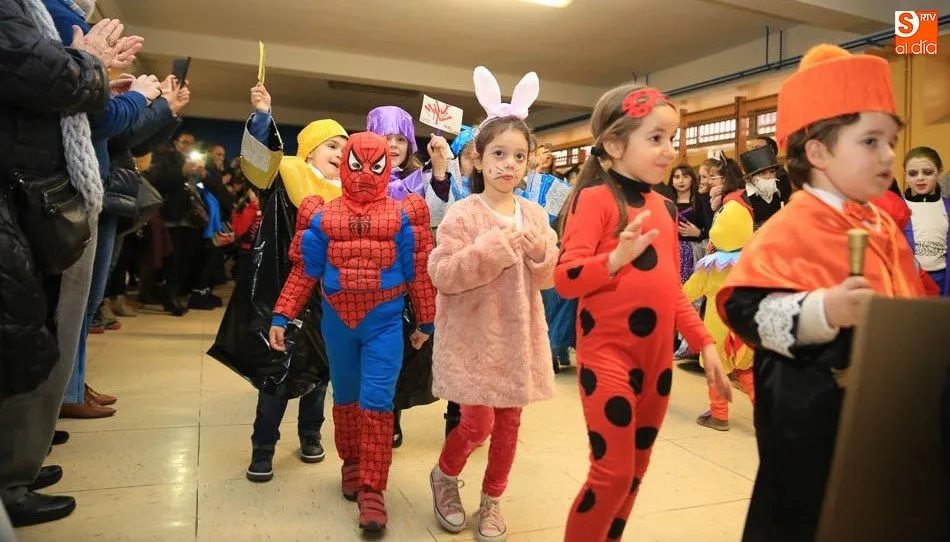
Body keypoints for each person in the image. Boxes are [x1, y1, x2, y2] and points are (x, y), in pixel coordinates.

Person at [717, 44, 926, 541]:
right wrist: (824, 309)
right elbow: (747, 310)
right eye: (871, 141)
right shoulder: (791, 227)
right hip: (812, 418)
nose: (889, 155)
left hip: (887, 417)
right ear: (817, 152)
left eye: (891, 141)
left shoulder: (881, 222)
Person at [555, 82, 731, 541]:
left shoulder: (666, 207)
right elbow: (565, 279)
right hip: (608, 357)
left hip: (656, 365)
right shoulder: (594, 199)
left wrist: (705, 343)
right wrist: (613, 260)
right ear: (614, 144)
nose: (669, 151)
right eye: (655, 138)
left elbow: (672, 289)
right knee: (611, 472)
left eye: (672, 138)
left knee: (634, 472)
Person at [268, 132, 436, 533]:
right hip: (337, 323)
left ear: (388, 168)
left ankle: (374, 489)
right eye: (356, 165)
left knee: (377, 402)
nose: (364, 175)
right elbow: (305, 270)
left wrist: (427, 322)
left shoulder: (406, 213)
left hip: (384, 322)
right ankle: (353, 466)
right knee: (344, 400)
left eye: (375, 166)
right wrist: (282, 314)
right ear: (344, 165)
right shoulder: (319, 214)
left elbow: (418, 273)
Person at [427, 67, 557, 542]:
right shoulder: (463, 213)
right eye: (498, 154)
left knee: (509, 426)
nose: (508, 164)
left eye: (518, 156)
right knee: (476, 423)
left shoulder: (536, 213)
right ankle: (444, 475)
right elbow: (442, 274)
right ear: (478, 159)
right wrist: (494, 251)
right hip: (474, 341)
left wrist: (542, 252)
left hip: (518, 344)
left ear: (529, 164)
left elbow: (547, 279)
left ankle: (493, 499)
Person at [0, 0, 113, 527]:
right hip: (28, 195)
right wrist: (88, 62)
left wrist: (89, 67)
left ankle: (16, 467)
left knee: (43, 326)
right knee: (30, 330)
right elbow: (53, 80)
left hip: (39, 195)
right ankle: (13, 476)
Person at [236, 83, 346, 483]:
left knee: (321, 367)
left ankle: (310, 433)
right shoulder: (286, 174)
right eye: (331, 145)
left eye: (343, 148)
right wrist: (264, 117)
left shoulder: (349, 194)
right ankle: (263, 446)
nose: (339, 154)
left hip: (331, 297)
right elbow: (257, 161)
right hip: (283, 292)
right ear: (311, 150)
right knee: (277, 370)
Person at [902, 146, 949, 296]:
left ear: (939, 172)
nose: (920, 178)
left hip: (943, 280)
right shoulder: (897, 207)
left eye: (927, 172)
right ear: (906, 176)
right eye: (913, 173)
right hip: (909, 280)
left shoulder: (947, 207)